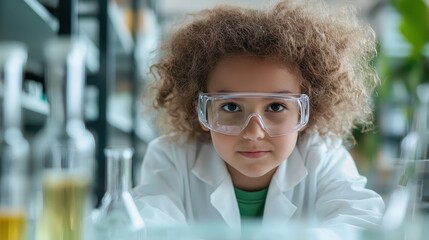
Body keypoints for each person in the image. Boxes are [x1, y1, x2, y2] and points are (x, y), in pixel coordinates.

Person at [133, 0, 385, 236]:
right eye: (231, 107)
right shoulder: (171, 156)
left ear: (307, 111)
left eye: (276, 107)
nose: (254, 132)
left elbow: (361, 221)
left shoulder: (323, 156)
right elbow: (152, 229)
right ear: (201, 111)